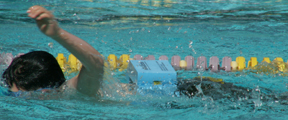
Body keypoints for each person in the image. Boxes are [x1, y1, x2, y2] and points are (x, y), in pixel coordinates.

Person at [2, 5, 104, 97]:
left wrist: (57, 34)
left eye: (18, 94)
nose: (15, 98)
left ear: (45, 92)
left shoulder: (74, 92)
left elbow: (96, 63)